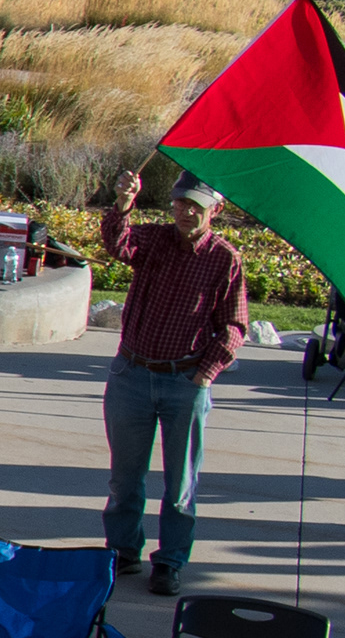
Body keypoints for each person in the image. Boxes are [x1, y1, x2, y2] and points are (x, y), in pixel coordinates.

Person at [99, 168, 246, 596]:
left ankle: (170, 561)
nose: (185, 211)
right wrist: (124, 202)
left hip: (184, 380)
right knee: (125, 478)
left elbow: (234, 326)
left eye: (196, 206)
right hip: (132, 373)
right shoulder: (154, 240)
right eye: (180, 203)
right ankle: (123, 551)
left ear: (215, 210)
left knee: (180, 484)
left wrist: (206, 373)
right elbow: (117, 244)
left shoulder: (224, 259)